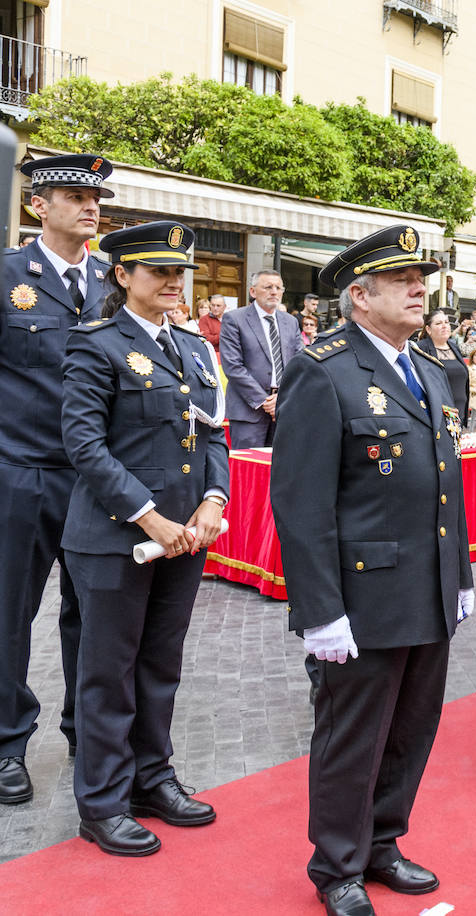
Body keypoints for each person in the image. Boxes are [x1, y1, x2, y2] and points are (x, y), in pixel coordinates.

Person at [271, 224, 474, 916]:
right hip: (362, 595)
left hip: (428, 587)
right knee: (352, 735)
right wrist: (319, 611)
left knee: (412, 728)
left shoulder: (435, 369)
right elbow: (300, 505)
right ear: (359, 296)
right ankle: (337, 866)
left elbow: (447, 481)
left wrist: (463, 575)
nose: (421, 290)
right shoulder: (323, 369)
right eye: (402, 281)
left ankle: (383, 840)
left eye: (422, 280)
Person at [61, 221, 228, 856]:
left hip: (185, 535)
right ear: (123, 276)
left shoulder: (190, 347)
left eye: (178, 273)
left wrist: (214, 500)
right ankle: (102, 802)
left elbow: (212, 433)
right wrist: (147, 515)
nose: (172, 283)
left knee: (160, 664)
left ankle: (152, 778)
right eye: (158, 272)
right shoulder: (95, 344)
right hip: (114, 539)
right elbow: (83, 444)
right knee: (108, 670)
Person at [0, 154, 117, 806]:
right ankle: (7, 743)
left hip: (95, 478)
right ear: (38, 206)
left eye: (96, 194)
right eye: (75, 194)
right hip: (21, 471)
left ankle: (89, 734)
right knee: (9, 615)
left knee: (96, 615)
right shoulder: (9, 277)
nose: (90, 205)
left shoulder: (112, 283)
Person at [220, 270, 303, 447]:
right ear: (252, 291)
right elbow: (233, 366)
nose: (274, 292)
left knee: (280, 470)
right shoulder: (234, 319)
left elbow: (300, 364)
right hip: (248, 411)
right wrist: (265, 402)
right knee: (248, 470)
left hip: (283, 407)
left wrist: (282, 397)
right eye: (267, 287)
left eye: (278, 287)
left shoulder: (291, 321)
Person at [415, 309, 470, 421]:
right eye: (439, 323)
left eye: (446, 322)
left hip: (459, 412)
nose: (444, 326)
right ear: (428, 329)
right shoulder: (420, 348)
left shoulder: (454, 347)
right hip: (436, 414)